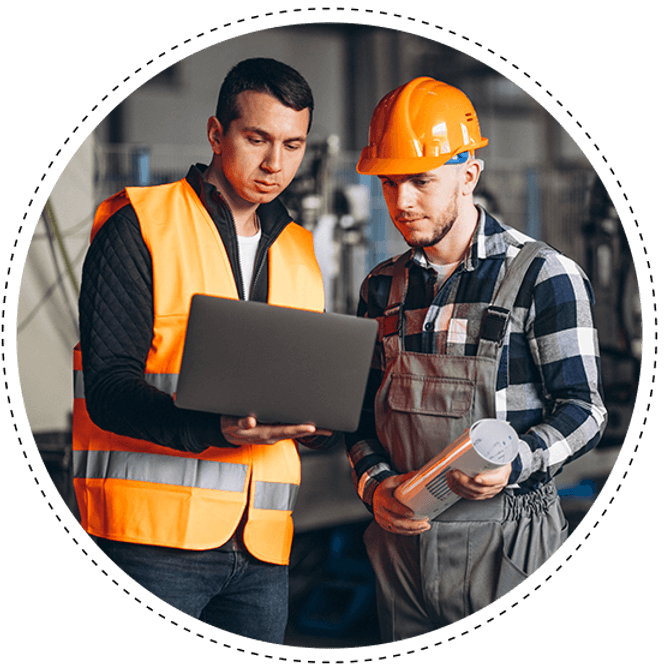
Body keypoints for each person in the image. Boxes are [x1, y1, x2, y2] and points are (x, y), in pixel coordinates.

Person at [72, 57, 338, 645]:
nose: (276, 164)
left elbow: (302, 384)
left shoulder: (298, 249)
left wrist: (320, 424)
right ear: (217, 134)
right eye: (257, 139)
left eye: (293, 145)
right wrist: (213, 427)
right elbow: (109, 389)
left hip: (263, 545)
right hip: (151, 544)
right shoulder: (140, 225)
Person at [345, 76, 607, 642]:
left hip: (508, 549)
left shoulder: (542, 276)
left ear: (469, 176)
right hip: (402, 554)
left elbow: (585, 411)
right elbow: (360, 419)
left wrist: (518, 461)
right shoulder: (380, 288)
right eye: (390, 183)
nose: (402, 202)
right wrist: (377, 487)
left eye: (421, 181)